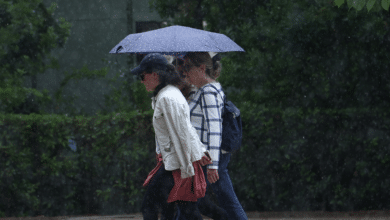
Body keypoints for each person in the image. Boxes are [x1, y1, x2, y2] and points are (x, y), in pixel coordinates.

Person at [132, 53, 213, 220]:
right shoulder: (167, 95)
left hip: (176, 164)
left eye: (142, 76)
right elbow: (185, 128)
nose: (141, 80)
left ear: (155, 75)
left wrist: (187, 168)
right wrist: (199, 151)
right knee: (183, 209)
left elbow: (181, 133)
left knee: (150, 206)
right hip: (177, 162)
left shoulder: (167, 97)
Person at [180, 52, 248, 220]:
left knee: (193, 201)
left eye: (188, 67)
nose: (185, 72)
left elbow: (215, 129)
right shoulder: (204, 90)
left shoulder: (208, 92)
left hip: (208, 158)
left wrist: (213, 165)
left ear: (202, 68)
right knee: (194, 202)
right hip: (206, 157)